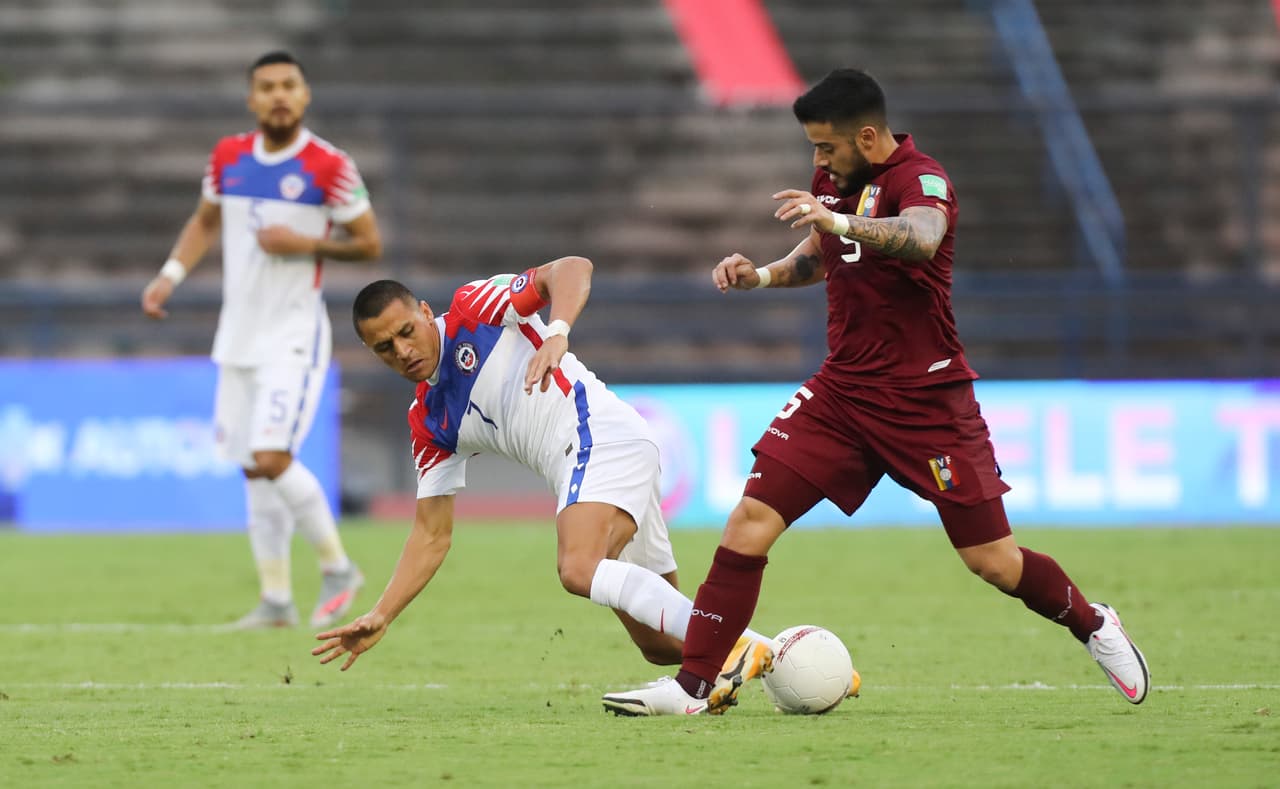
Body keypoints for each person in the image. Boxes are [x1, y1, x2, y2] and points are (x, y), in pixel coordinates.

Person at [602, 68, 1150, 716]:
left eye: (826, 147)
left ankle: (1093, 622)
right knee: (750, 521)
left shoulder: (922, 180)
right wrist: (761, 276)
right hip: (842, 395)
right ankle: (695, 686)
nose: (818, 161)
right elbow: (820, 253)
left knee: (994, 561)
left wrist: (837, 222)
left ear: (866, 137)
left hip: (926, 402)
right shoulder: (834, 184)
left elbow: (921, 238)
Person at [310, 257, 772, 711]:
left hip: (597, 435)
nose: (402, 350)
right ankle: (783, 658)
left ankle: (737, 645)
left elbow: (573, 268)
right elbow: (431, 534)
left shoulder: (475, 308)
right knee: (660, 644)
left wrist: (557, 333)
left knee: (578, 568)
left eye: (406, 331)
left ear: (426, 313)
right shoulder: (428, 422)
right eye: (385, 347)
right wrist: (381, 614)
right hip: (602, 457)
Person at [140, 51, 382, 629]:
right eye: (267, 86)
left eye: (289, 85)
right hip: (239, 336)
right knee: (253, 468)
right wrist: (170, 274)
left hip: (293, 336)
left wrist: (306, 244)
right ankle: (276, 600)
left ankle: (338, 567)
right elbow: (205, 220)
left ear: (305, 95)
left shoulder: (330, 166)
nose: (279, 95)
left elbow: (369, 244)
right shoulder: (228, 157)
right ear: (252, 99)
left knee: (273, 457)